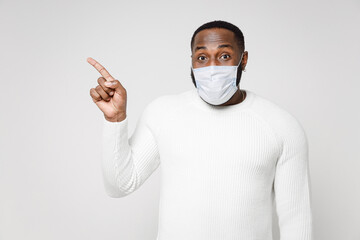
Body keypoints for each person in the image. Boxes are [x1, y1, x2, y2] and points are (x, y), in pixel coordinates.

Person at [88, 20, 314, 240]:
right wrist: (115, 119)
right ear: (192, 62)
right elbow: (119, 185)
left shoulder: (280, 125)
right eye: (202, 58)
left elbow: (296, 219)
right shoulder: (163, 113)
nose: (212, 68)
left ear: (243, 60)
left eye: (224, 56)